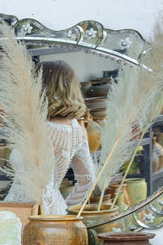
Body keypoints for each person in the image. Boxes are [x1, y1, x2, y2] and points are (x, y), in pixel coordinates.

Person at [6, 59, 96, 213]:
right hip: (53, 212)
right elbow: (88, 180)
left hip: (25, 213)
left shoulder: (39, 129)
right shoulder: (77, 128)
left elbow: (43, 188)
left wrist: (45, 219)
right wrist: (64, 209)